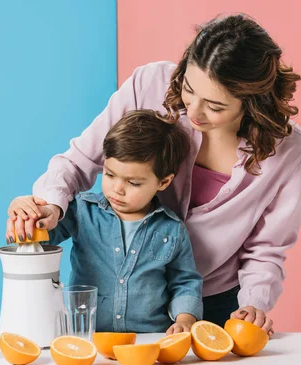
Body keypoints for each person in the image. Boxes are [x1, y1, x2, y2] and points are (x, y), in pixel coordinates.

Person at [6, 14, 301, 336]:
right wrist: (51, 206)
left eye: (215, 106)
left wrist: (254, 303)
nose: (193, 111)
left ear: (252, 101)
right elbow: (80, 161)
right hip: (124, 302)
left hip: (217, 301)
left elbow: (267, 248)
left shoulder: (288, 149)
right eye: (188, 89)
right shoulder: (149, 85)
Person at [41, 109, 204, 334]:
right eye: (109, 175)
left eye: (133, 183)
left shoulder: (172, 229)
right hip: (90, 339)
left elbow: (185, 283)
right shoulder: (82, 212)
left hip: (149, 341)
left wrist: (185, 320)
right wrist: (29, 215)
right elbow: (41, 238)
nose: (117, 189)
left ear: (163, 182)